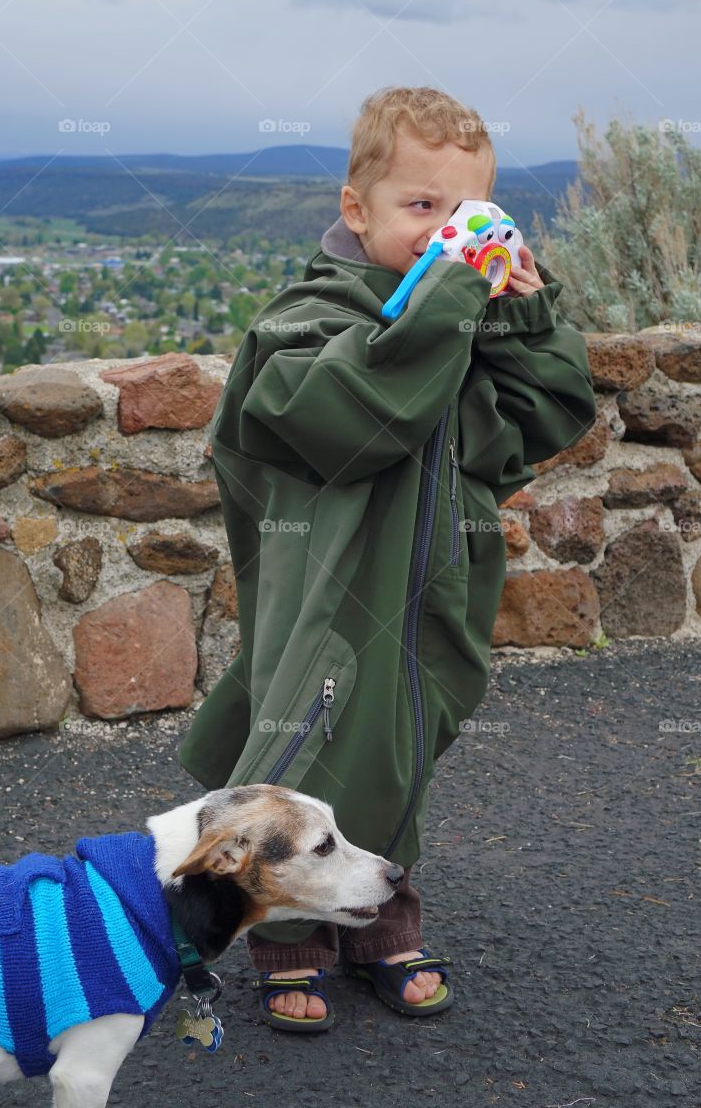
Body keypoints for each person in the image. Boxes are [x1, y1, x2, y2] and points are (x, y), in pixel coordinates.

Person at [178, 86, 597, 1030]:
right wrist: (453, 291)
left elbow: (546, 420)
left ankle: (374, 929)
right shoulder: (304, 320)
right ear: (354, 209)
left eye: (469, 216)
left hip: (430, 592)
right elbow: (352, 423)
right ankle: (287, 943)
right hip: (331, 597)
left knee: (400, 755)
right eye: (421, 209)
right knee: (312, 749)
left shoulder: (460, 316)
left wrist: (524, 322)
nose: (446, 235)